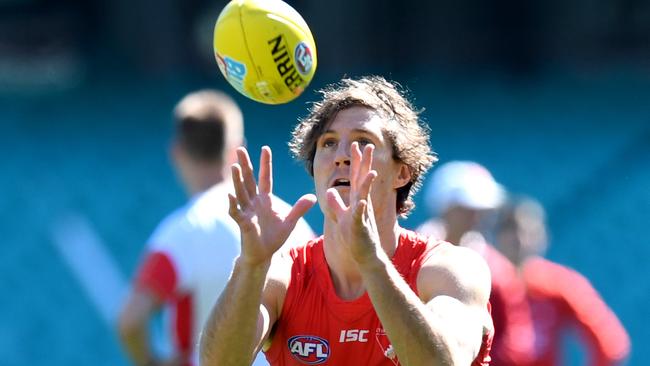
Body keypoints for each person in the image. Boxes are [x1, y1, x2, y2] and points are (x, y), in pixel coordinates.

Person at [200, 76, 494, 365]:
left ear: (402, 173)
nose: (341, 156)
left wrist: (372, 262)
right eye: (328, 143)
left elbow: (443, 363)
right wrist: (251, 265)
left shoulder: (449, 270)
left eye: (362, 142)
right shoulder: (284, 278)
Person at [116, 90, 314, 366]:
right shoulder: (291, 221)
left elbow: (130, 320)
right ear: (237, 150)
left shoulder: (185, 230)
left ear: (177, 152)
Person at [417, 161, 534, 366]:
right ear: (445, 207)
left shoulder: (498, 270)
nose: (477, 217)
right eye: (467, 208)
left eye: (483, 209)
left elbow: (516, 339)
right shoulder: (409, 256)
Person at [494, 195, 631, 366]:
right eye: (512, 230)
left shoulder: (557, 284)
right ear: (498, 236)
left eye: (529, 232)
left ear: (543, 236)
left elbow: (610, 343)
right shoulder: (486, 282)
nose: (520, 240)